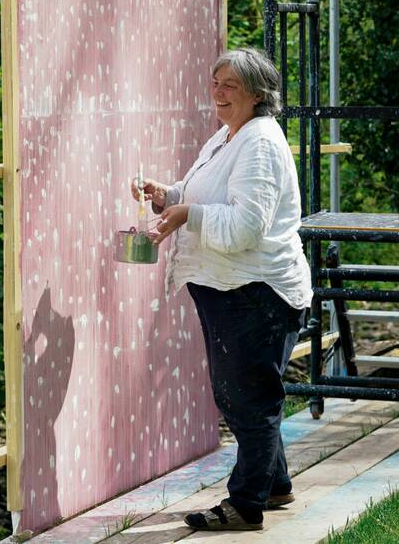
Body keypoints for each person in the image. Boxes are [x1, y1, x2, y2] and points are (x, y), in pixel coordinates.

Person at [132, 47, 312, 532]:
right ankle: (274, 484)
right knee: (244, 393)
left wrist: (188, 214)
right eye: (215, 81)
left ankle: (245, 505)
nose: (218, 91)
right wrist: (168, 196)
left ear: (259, 94)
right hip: (230, 288)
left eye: (230, 84)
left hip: (256, 292)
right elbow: (204, 193)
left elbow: (245, 228)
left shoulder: (260, 142)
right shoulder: (229, 136)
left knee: (247, 399)